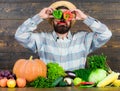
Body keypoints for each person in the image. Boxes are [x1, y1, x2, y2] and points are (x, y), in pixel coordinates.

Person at [15, 1, 112, 71]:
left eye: (66, 16)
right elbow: (20, 35)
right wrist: (38, 17)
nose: (62, 19)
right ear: (52, 20)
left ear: (71, 20)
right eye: (58, 16)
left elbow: (106, 34)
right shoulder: (41, 39)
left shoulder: (83, 39)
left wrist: (85, 18)